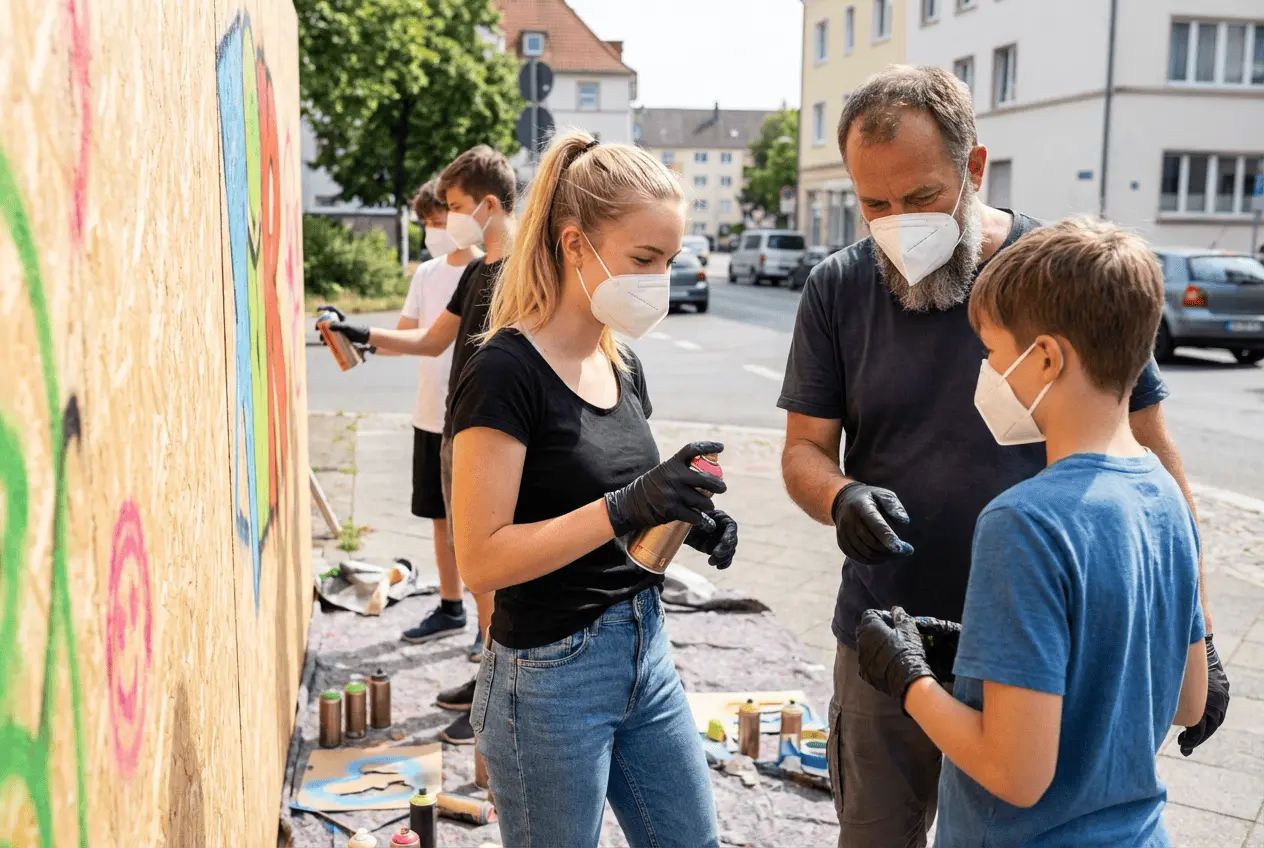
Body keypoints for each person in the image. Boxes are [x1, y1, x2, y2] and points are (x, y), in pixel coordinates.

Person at [776, 65, 1226, 847]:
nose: (896, 222)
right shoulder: (836, 288)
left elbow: (1149, 445)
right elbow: (803, 452)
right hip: (891, 636)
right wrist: (839, 496)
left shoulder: (1055, 279)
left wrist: (1198, 631)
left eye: (921, 197)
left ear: (974, 167)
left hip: (1049, 638)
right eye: (874, 204)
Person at [854, 217, 1208, 846]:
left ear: (1045, 358)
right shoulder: (1166, 497)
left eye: (992, 353)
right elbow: (1188, 701)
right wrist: (982, 657)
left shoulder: (1024, 522)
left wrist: (908, 679)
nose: (988, 372)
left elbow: (1015, 774)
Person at [448, 131, 738, 847]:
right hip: (549, 676)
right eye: (644, 259)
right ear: (575, 244)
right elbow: (481, 560)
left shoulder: (623, 363)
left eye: (669, 261)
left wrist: (680, 518)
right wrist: (626, 506)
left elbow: (615, 505)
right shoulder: (505, 371)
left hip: (646, 650)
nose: (660, 279)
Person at [328, 145, 516, 745]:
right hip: (460, 432)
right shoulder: (477, 274)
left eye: (456, 206)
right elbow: (431, 341)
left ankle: (502, 697)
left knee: (493, 569)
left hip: (497, 439)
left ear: (489, 204)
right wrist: (360, 332)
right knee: (474, 561)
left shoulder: (524, 272)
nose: (450, 218)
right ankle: (492, 675)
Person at [379, 179, 477, 646]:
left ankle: (492, 627)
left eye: (438, 220)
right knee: (441, 521)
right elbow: (405, 336)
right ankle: (451, 605)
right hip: (429, 418)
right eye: (426, 224)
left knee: (480, 524)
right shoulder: (427, 274)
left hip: (472, 421)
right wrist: (354, 336)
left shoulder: (486, 270)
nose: (432, 231)